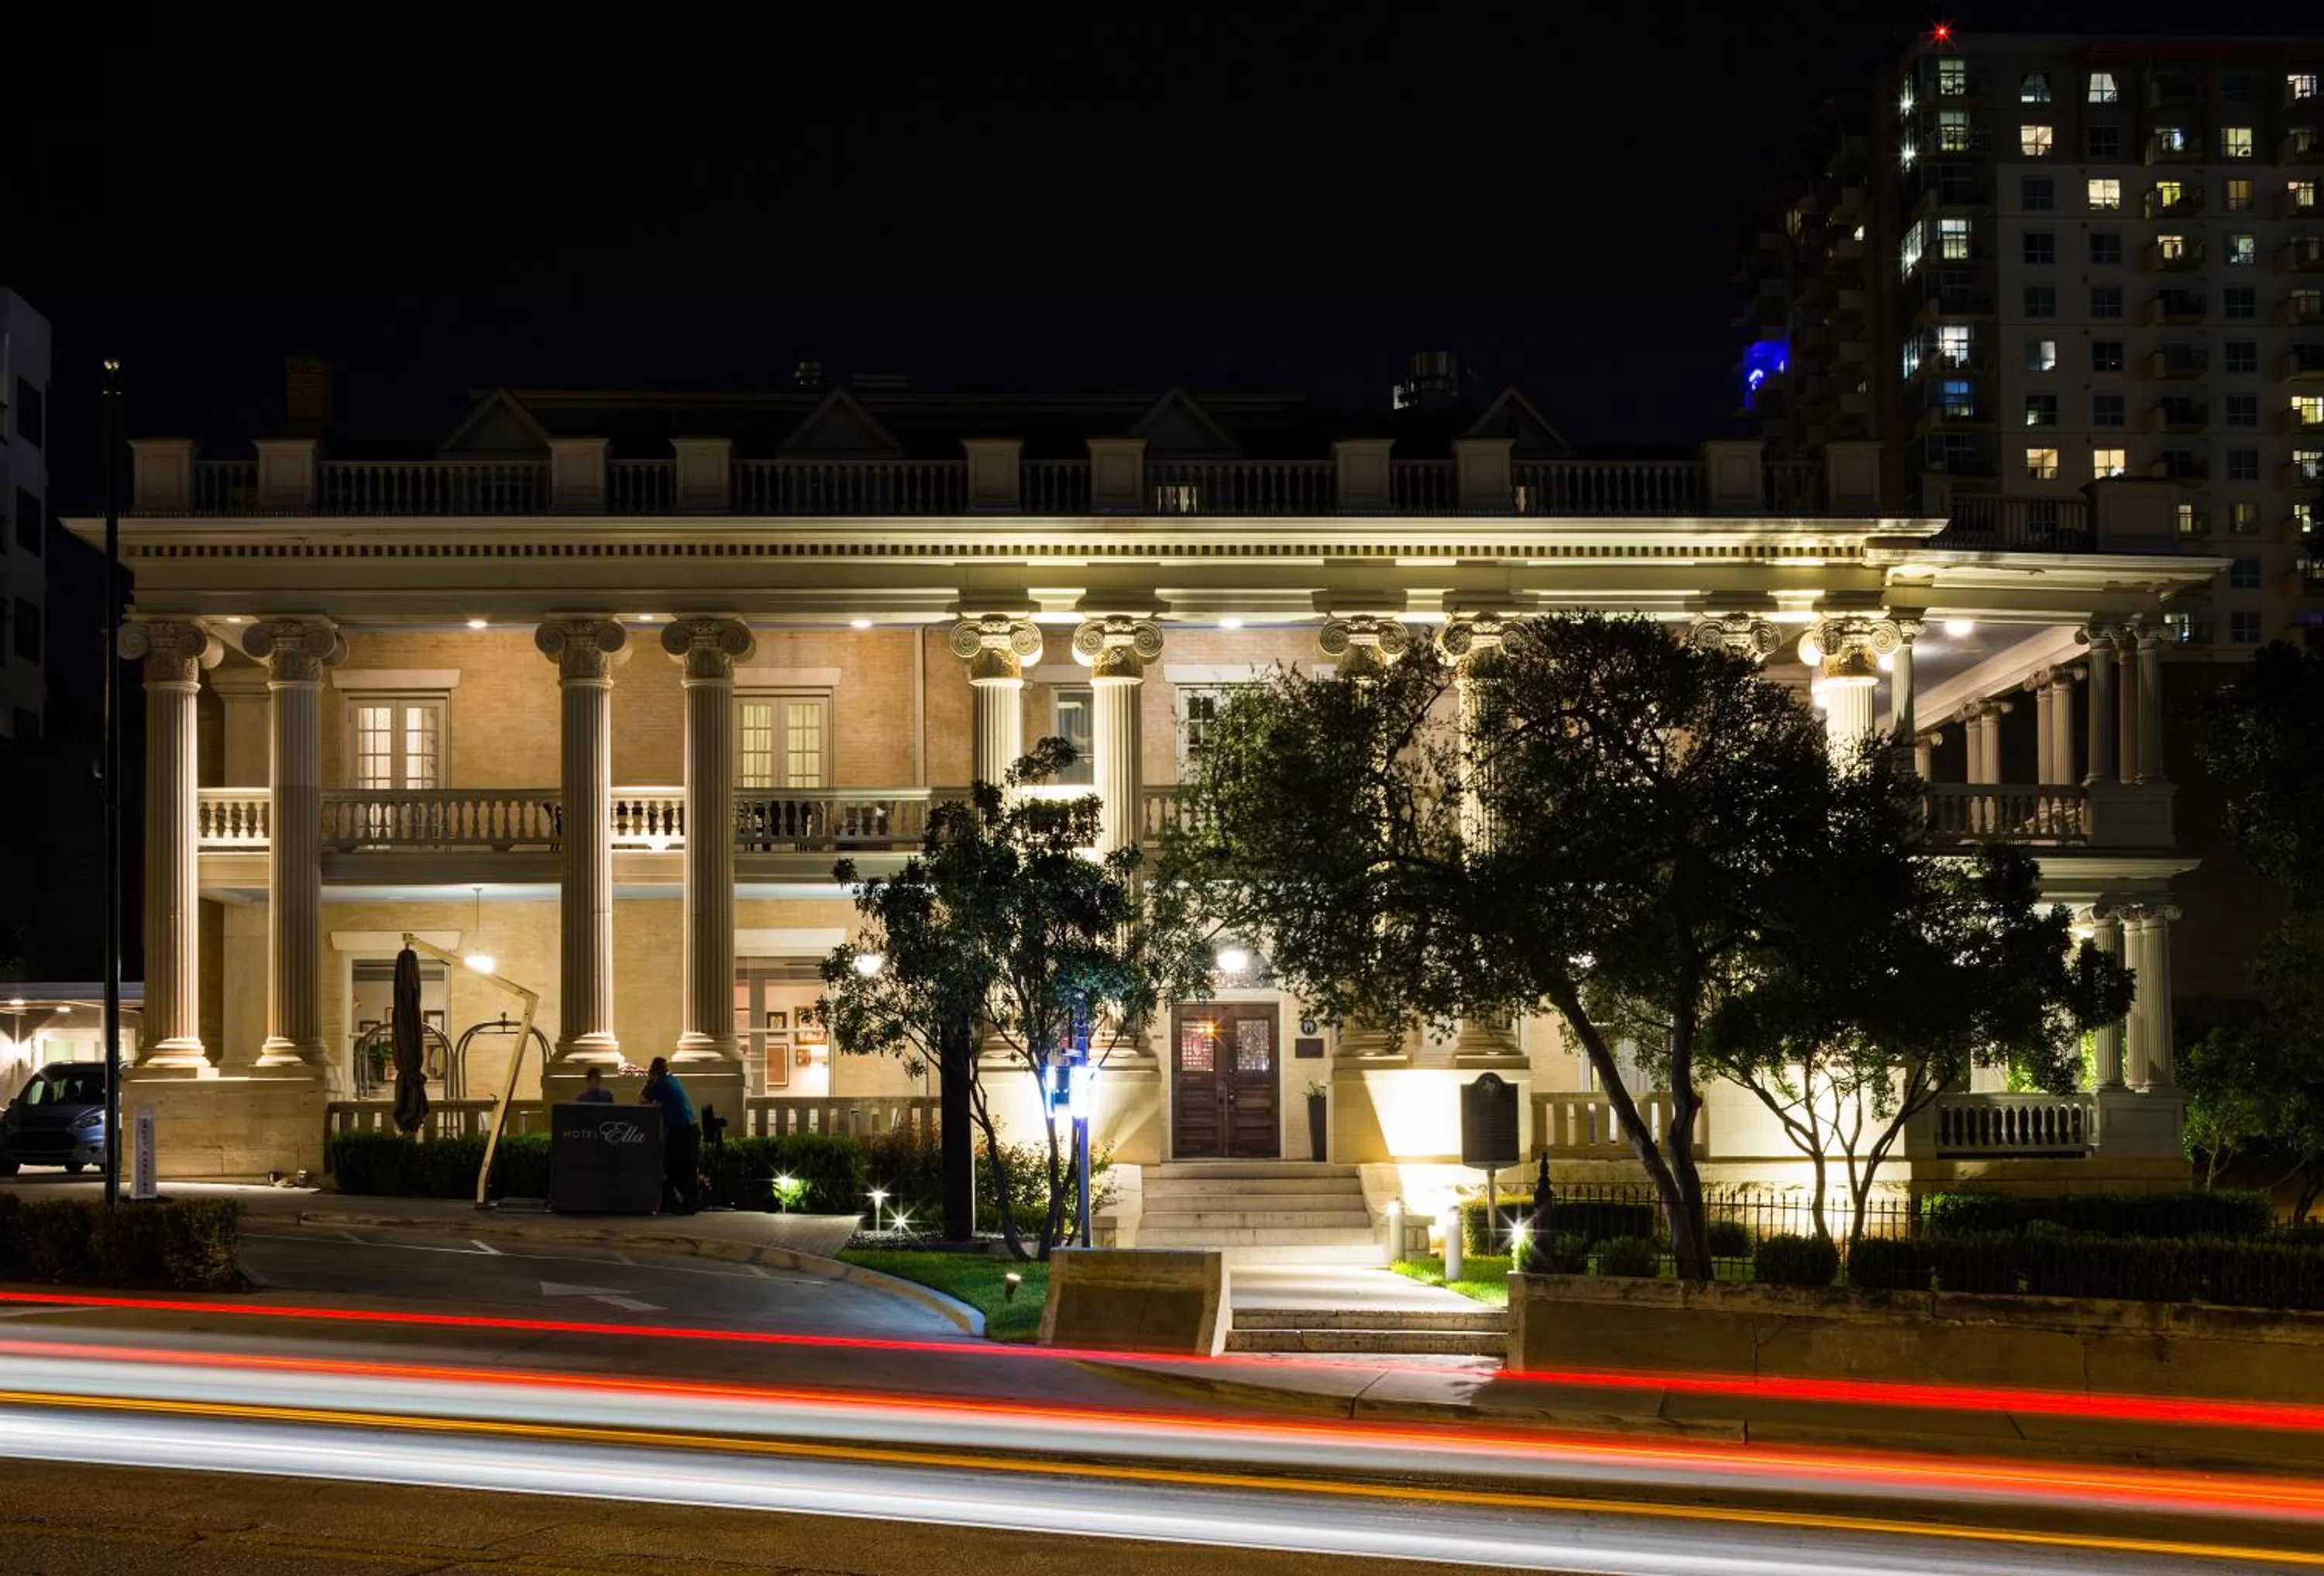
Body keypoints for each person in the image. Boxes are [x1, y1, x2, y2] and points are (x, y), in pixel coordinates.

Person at [640, 1055, 700, 1215]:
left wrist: (648, 1081)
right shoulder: (673, 1080)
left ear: (654, 1071)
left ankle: (673, 1204)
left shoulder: (661, 1084)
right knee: (689, 1168)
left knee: (670, 1167)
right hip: (692, 1128)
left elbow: (641, 1099)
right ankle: (690, 1206)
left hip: (679, 1131)